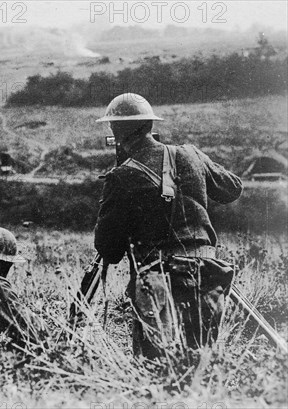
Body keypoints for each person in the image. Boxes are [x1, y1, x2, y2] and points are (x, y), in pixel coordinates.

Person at [93, 93, 243, 360]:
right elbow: (232, 189)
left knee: (156, 366)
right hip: (207, 273)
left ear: (115, 130)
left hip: (159, 281)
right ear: (151, 125)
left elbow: (108, 250)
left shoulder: (122, 176)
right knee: (200, 361)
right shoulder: (191, 154)